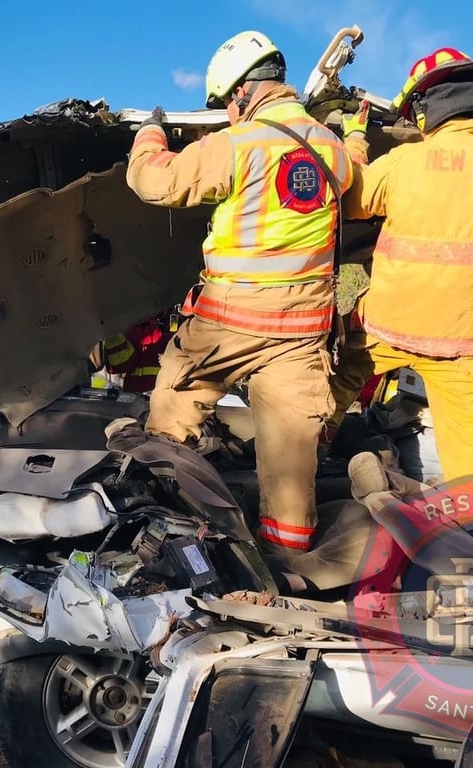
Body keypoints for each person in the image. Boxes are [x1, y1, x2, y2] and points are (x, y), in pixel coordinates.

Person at [125, 30, 357, 578]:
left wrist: (150, 137)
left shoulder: (240, 142)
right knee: (291, 464)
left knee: (170, 420)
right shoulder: (332, 151)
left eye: (227, 102)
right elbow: (353, 178)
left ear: (242, 93)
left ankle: (164, 537)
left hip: (227, 322)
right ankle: (290, 568)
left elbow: (156, 184)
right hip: (302, 334)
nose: (229, 112)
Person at [328, 48, 473, 523]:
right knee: (470, 441)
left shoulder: (406, 162)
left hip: (388, 323)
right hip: (463, 337)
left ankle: (294, 476)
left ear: (426, 108)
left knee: (332, 392)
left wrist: (356, 143)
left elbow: (350, 200)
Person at [102, 310, 177, 394]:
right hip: (135, 394)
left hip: (165, 394)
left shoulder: (174, 318)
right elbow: (121, 365)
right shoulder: (125, 324)